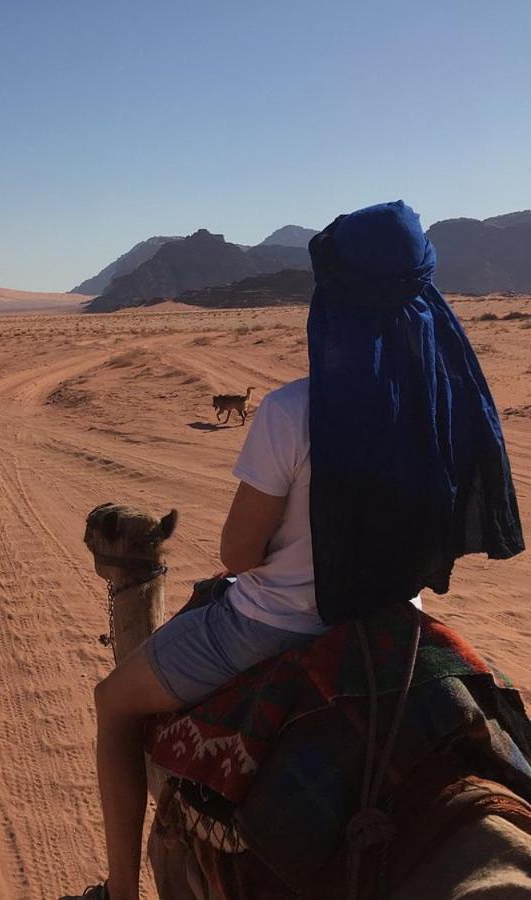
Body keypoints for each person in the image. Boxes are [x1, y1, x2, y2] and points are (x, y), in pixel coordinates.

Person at [68, 201, 523, 900]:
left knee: (113, 703)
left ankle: (121, 891)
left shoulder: (293, 412)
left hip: (272, 626)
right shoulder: (450, 403)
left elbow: (240, 556)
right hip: (400, 624)